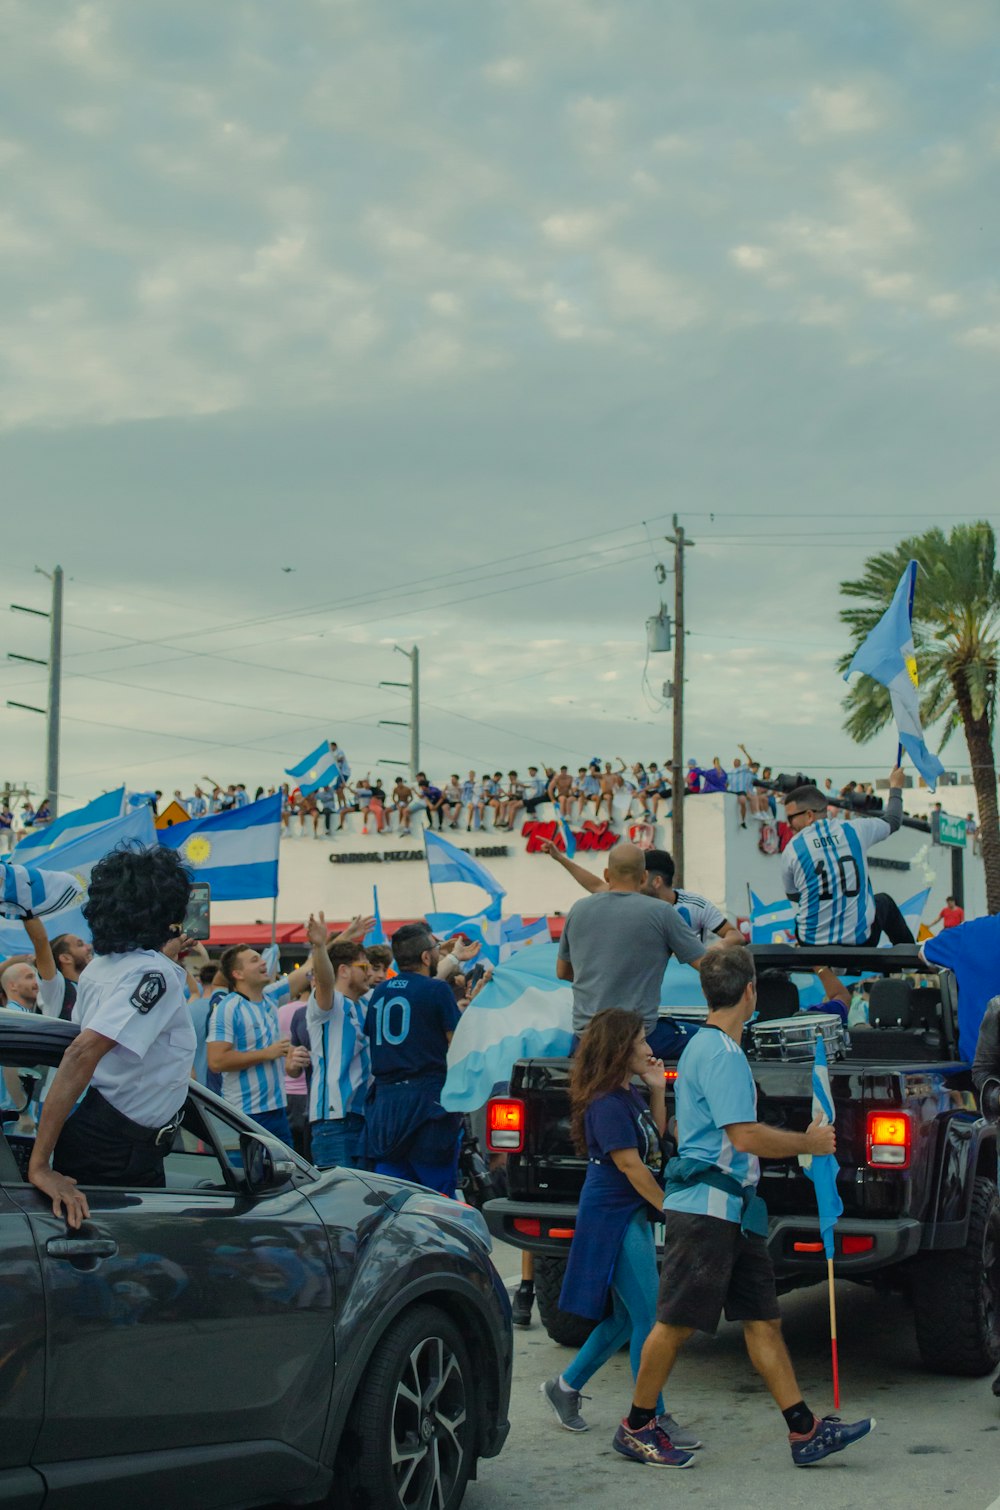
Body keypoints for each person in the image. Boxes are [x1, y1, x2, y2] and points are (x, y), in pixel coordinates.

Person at [617, 947, 874, 1470]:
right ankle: (637, 1425)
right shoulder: (723, 1055)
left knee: (763, 1321)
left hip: (730, 1209)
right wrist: (809, 1142)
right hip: (711, 1209)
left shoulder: (705, 1048)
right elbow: (745, 1135)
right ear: (750, 991)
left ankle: (803, 1431)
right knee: (675, 1324)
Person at [542, 1008, 699, 1452]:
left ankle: (566, 1387)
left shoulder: (624, 1094)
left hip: (627, 1211)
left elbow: (656, 1142)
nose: (651, 1050)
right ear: (620, 1048)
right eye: (642, 1043)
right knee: (651, 1318)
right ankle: (653, 1417)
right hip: (613, 1216)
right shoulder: (607, 1103)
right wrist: (670, 1209)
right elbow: (631, 1166)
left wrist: (657, 1092)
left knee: (628, 1318)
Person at [26, 847, 198, 1227]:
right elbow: (80, 1054)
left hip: (104, 1137)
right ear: (166, 912)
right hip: (118, 1151)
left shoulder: (101, 968)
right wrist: (39, 1166)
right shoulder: (156, 975)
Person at [556, 842, 708, 1059]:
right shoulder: (662, 913)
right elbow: (708, 967)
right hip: (641, 1038)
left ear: (607, 874)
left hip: (586, 1040)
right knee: (708, 1040)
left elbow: (562, 972)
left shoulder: (578, 909)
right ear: (644, 877)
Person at [360, 923, 463, 1196]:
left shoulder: (379, 993)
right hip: (427, 1102)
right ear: (426, 957)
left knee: (392, 1196)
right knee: (437, 1196)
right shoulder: (437, 990)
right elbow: (458, 1044)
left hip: (386, 1105)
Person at [781, 767, 912, 946]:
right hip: (861, 942)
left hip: (811, 944)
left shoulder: (792, 849)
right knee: (883, 902)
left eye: (790, 819)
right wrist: (895, 786)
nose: (788, 825)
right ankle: (913, 960)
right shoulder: (855, 830)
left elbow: (794, 896)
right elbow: (894, 820)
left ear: (809, 815)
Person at [206, 943, 313, 1144]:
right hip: (244, 1115)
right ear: (238, 973)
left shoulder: (271, 996)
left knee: (286, 1174)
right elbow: (217, 1061)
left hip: (278, 1111)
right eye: (255, 960)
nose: (264, 962)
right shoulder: (227, 1008)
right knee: (246, 1175)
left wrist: (323, 942)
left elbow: (307, 970)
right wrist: (267, 1053)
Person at [298, 930, 373, 1169]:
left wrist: (452, 960)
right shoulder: (328, 1003)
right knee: (341, 1201)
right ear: (343, 970)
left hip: (361, 1117)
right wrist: (320, 948)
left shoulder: (364, 1003)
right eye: (364, 966)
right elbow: (324, 980)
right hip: (334, 1122)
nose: (370, 972)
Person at [37, 931, 94, 1021]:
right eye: (80, 944)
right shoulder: (56, 989)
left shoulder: (92, 986)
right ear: (65, 958)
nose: (89, 947)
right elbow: (40, 942)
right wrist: (31, 918)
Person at [728, 757, 755, 827]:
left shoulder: (743, 769)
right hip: (731, 791)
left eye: (737, 761)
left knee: (743, 801)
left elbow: (750, 761)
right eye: (735, 761)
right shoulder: (730, 772)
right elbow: (726, 783)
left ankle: (742, 820)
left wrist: (744, 750)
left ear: (740, 763)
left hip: (741, 791)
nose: (736, 762)